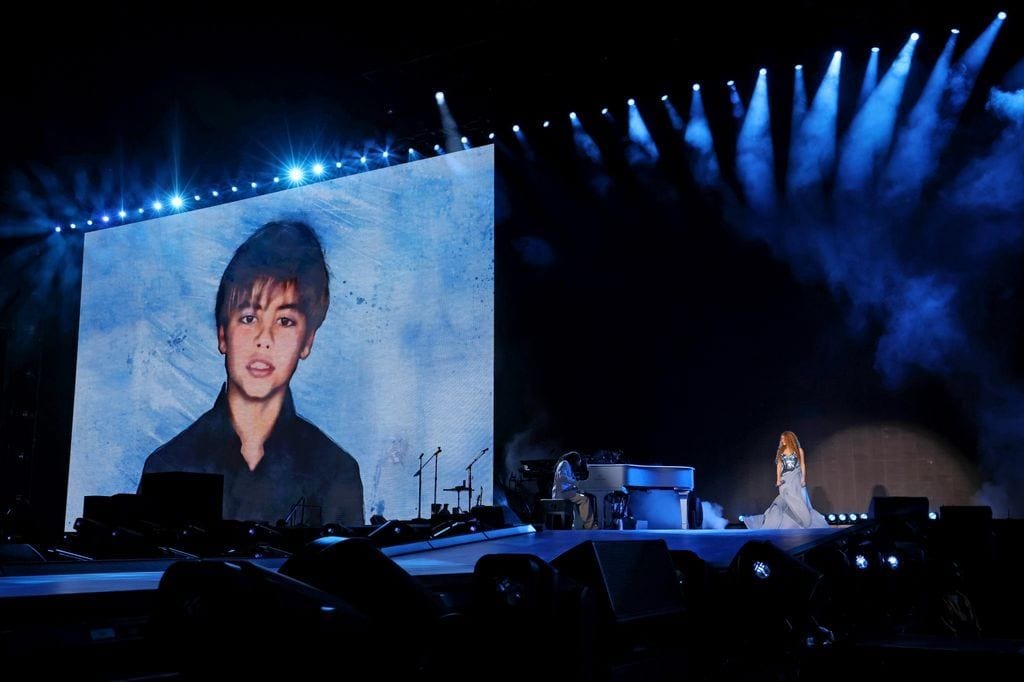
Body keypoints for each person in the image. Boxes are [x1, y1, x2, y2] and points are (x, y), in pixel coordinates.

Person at [140, 220, 364, 526]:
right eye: (248, 318)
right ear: (222, 334)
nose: (264, 338)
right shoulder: (168, 464)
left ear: (307, 341)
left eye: (285, 321)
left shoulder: (336, 470)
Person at [743, 431, 827, 529]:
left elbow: (802, 464)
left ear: (789, 439)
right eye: (781, 439)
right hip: (785, 479)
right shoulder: (781, 452)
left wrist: (803, 478)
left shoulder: (799, 450)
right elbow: (779, 466)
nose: (782, 440)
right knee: (783, 499)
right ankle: (775, 520)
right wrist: (778, 479)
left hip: (795, 478)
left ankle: (804, 520)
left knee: (795, 499)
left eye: (783, 438)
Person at [551, 451, 598, 529]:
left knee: (581, 497)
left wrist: (575, 485)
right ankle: (589, 525)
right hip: (562, 493)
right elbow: (562, 477)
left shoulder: (566, 464)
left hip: (565, 491)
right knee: (584, 499)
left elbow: (566, 480)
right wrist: (575, 483)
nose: (578, 464)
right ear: (574, 460)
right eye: (578, 462)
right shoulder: (564, 463)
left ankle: (577, 525)